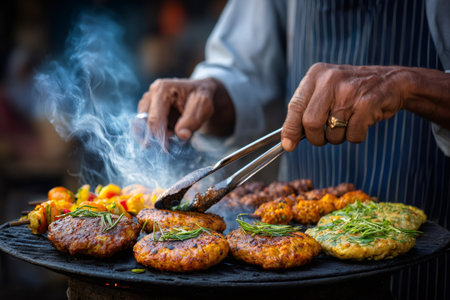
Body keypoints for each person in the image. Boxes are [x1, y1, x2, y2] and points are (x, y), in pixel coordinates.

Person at [137, 1, 450, 299]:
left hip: (435, 246)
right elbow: (244, 68)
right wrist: (210, 92)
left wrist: (407, 83)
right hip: (298, 265)